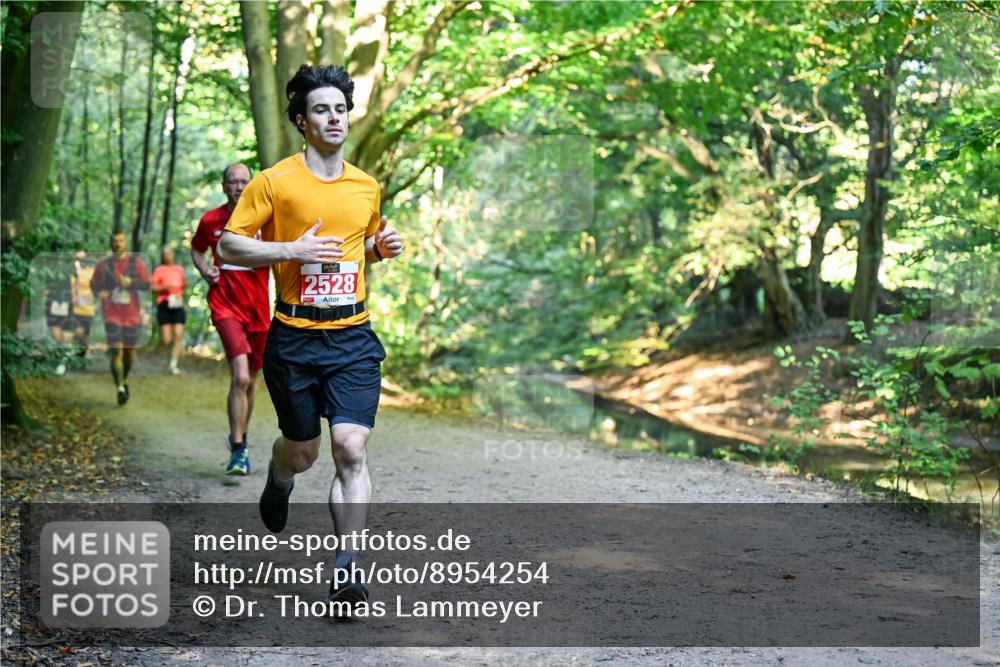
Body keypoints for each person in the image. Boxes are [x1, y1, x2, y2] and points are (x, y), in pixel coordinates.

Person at [218, 64, 404, 608]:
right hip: (294, 338)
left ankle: (347, 571)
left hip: (352, 336)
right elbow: (231, 246)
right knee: (302, 453)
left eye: (340, 109)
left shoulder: (366, 185)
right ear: (302, 121)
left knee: (351, 448)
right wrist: (288, 250)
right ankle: (279, 478)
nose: (334, 118)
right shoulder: (274, 182)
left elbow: (360, 246)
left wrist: (381, 248)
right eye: (321, 110)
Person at [191, 163, 270, 476]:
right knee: (239, 376)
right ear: (223, 186)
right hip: (225, 305)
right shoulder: (210, 220)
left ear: (250, 186)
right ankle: (237, 450)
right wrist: (204, 270)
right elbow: (197, 250)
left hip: (259, 310)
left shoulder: (267, 218)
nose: (238, 187)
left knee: (250, 379)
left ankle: (241, 439)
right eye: (232, 182)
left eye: (243, 182)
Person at [90, 231, 151, 406]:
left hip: (132, 315)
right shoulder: (104, 265)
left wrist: (131, 283)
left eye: (121, 240)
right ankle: (120, 389)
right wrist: (98, 292)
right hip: (111, 313)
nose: (118, 244)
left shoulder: (136, 263)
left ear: (125, 243)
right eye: (114, 241)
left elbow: (147, 285)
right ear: (110, 243)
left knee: (128, 354)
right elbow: (94, 285)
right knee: (116, 351)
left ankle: (123, 380)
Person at [152, 246, 187, 375]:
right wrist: (165, 287)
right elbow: (153, 287)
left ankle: (173, 364)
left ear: (172, 254)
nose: (167, 256)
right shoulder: (159, 270)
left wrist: (183, 286)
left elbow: (184, 283)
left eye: (169, 253)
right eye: (164, 254)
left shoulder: (179, 269)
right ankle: (162, 356)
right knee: (166, 339)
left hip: (177, 302)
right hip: (164, 303)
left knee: (178, 334)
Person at [70, 251, 96, 358]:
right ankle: (77, 354)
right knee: (77, 332)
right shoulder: (72, 275)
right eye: (76, 259)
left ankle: (81, 354)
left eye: (80, 259)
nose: (78, 262)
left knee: (83, 335)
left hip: (86, 310)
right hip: (73, 309)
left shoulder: (90, 273)